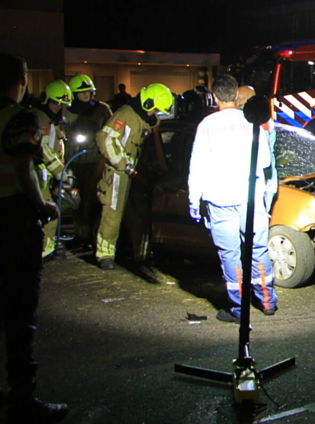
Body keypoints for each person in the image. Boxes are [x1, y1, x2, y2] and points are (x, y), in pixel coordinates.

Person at [0, 53, 68, 424]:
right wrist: (43, 205)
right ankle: (23, 402)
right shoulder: (21, 118)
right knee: (20, 312)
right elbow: (24, 170)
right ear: (21, 79)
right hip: (15, 220)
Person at [188, 74, 277, 323]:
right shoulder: (251, 120)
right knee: (258, 248)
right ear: (236, 94)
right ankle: (267, 301)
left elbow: (197, 165)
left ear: (214, 96)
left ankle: (239, 309)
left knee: (230, 254)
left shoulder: (207, 125)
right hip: (251, 196)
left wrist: (194, 200)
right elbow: (265, 161)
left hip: (220, 199)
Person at [95, 83, 174, 272]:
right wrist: (121, 162)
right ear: (147, 103)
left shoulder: (148, 119)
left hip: (136, 172)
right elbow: (105, 138)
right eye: (156, 109)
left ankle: (141, 254)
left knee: (139, 213)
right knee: (113, 213)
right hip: (118, 172)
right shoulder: (125, 114)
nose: (157, 113)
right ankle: (105, 255)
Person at [64, 74, 113, 248]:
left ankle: (87, 234)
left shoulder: (102, 109)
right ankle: (78, 232)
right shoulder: (66, 110)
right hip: (72, 161)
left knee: (91, 198)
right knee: (73, 200)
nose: (85, 95)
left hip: (94, 161)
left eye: (88, 91)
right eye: (81, 92)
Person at [31, 81, 72, 259]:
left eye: (62, 104)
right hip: (39, 171)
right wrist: (59, 171)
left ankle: (47, 247)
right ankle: (43, 250)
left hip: (51, 174)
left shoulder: (56, 120)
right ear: (46, 100)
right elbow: (41, 148)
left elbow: (59, 146)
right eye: (56, 103)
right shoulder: (36, 117)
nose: (58, 107)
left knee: (52, 210)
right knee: (47, 210)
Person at [235, 84, 278, 213]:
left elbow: (266, 157)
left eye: (244, 98)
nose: (239, 101)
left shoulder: (263, 123)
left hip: (263, 180)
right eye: (237, 98)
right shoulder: (238, 121)